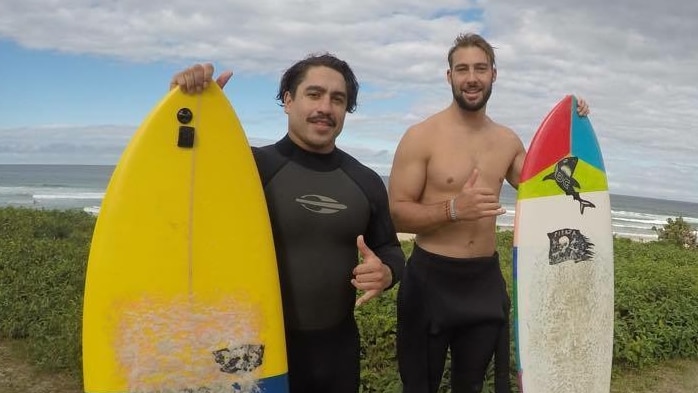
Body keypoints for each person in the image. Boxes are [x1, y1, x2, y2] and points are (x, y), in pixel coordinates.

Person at [171, 54, 405, 393]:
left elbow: (390, 249)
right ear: (288, 101)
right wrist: (188, 108)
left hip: (336, 352)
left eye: (337, 99)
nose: (326, 106)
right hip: (252, 350)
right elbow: (180, 180)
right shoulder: (248, 167)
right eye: (314, 94)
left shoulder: (365, 181)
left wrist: (386, 273)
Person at [388, 33, 589, 393]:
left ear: (494, 74)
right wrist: (453, 209)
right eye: (462, 69)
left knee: (472, 386)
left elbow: (547, 188)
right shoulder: (421, 137)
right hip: (430, 279)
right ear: (448, 76)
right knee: (419, 386)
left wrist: (573, 129)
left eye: (480, 68)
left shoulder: (507, 141)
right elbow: (398, 214)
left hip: (482, 280)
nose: (471, 77)